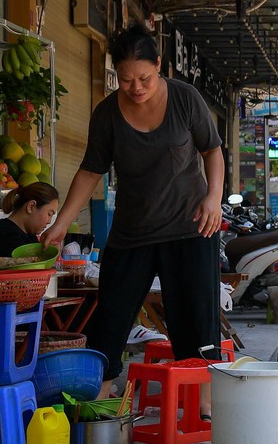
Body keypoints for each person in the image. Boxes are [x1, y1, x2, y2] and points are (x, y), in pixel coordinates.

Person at [40, 23, 224, 420]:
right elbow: (90, 171)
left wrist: (214, 198)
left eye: (144, 78)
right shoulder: (107, 113)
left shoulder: (185, 99)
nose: (136, 87)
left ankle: (204, 402)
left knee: (195, 317)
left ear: (159, 65)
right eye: (126, 80)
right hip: (132, 234)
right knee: (111, 316)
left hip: (190, 229)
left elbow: (212, 150)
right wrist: (60, 224)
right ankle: (99, 400)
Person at [0, 182, 59, 257]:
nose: (49, 221)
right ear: (31, 206)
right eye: (49, 214)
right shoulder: (6, 238)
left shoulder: (29, 235)